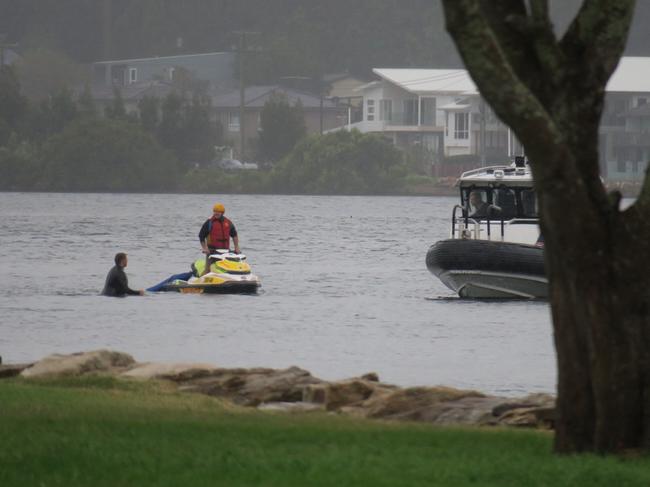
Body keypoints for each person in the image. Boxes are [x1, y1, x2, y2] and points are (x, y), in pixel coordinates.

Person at [198, 203, 241, 275]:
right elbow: (201, 236)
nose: (216, 213)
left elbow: (234, 235)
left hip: (226, 252)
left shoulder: (228, 222)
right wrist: (205, 248)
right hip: (212, 252)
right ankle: (200, 282)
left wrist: (236, 247)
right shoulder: (209, 222)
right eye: (215, 211)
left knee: (229, 268)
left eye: (218, 211)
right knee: (208, 270)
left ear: (222, 212)